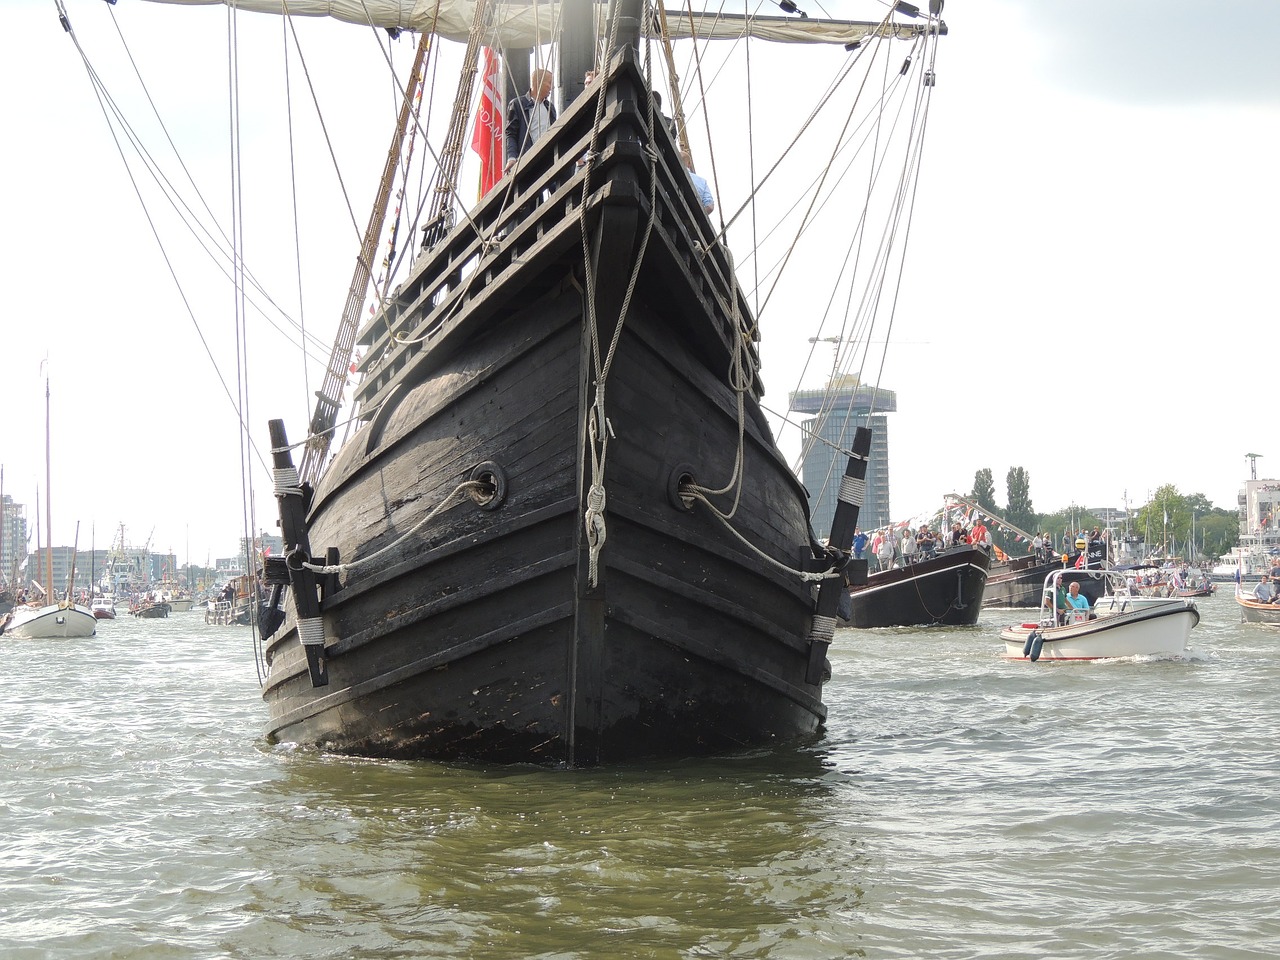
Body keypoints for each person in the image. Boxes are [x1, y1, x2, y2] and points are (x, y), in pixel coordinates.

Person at [504, 68, 557, 173]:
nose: (552, 87)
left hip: (549, 158)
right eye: (549, 83)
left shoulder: (549, 107)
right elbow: (511, 134)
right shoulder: (517, 104)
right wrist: (512, 158)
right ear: (538, 82)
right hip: (528, 160)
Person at [680, 148, 715, 214]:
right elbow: (710, 207)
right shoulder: (702, 182)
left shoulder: (671, 175)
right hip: (691, 221)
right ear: (689, 164)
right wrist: (696, 217)